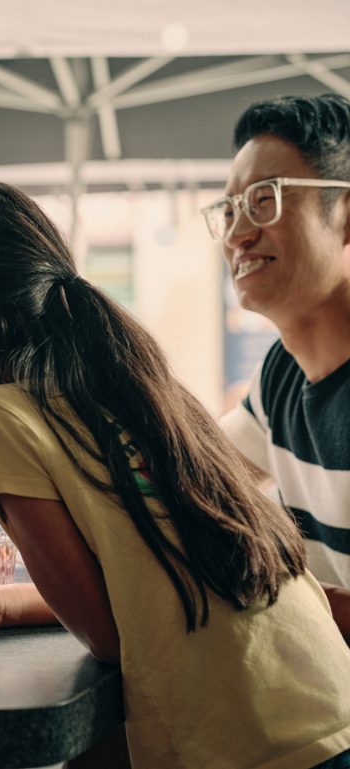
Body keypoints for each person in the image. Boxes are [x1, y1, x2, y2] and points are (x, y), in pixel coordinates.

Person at [0, 180, 350, 769]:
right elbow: (150, 578)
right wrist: (4, 605)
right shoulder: (129, 385)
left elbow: (106, 633)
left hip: (246, 744)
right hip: (327, 706)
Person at [208, 94, 350, 639]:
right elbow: (188, 486)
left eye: (264, 199)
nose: (237, 233)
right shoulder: (281, 376)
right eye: (228, 210)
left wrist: (283, 594)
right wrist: (11, 604)